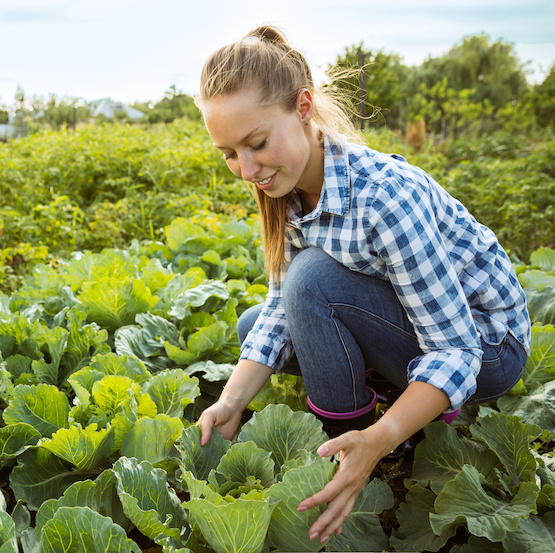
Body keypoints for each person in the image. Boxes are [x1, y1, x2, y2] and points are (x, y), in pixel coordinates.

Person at [196, 25, 531, 544]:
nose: (246, 169)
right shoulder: (284, 190)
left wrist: (382, 436)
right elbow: (279, 310)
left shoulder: (383, 197)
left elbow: (458, 347)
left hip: (484, 347)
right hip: (413, 325)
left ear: (304, 106)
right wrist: (231, 402)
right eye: (229, 153)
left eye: (256, 144)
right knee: (253, 326)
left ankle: (358, 447)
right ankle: (383, 410)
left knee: (310, 280)